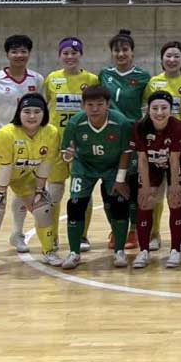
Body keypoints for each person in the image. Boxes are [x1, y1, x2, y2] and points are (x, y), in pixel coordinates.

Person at [0, 34, 45, 254]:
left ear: (29, 54)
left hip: (28, 146)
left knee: (24, 194)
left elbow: (41, 109)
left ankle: (17, 234)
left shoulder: (37, 79)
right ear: (7, 55)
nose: (19, 55)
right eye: (14, 51)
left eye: (23, 51)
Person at [0, 94, 62, 279]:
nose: (32, 116)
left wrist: (39, 190)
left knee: (43, 208)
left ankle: (49, 252)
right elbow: (4, 167)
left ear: (44, 113)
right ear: (19, 113)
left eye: (37, 111)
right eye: (27, 111)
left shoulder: (51, 132)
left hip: (22, 174)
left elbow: (45, 165)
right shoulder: (6, 133)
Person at [60, 86, 133, 270]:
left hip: (112, 167)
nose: (94, 108)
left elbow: (126, 151)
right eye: (90, 104)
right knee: (75, 204)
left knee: (119, 203)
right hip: (84, 167)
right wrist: (68, 156)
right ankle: (74, 252)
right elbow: (65, 153)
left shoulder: (121, 122)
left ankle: (119, 251)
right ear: (83, 105)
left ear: (108, 104)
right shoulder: (75, 123)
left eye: (99, 104)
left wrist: (120, 178)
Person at [143, 41, 181, 251]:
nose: (172, 60)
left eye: (177, 56)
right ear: (161, 59)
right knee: (155, 192)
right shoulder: (153, 83)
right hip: (156, 146)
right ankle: (154, 234)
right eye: (168, 56)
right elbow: (146, 112)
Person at [44, 37, 100, 252]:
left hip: (82, 145)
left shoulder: (91, 79)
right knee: (55, 193)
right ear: (60, 56)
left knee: (82, 193)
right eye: (65, 53)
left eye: (74, 53)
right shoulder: (52, 79)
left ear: (80, 55)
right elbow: (44, 105)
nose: (70, 57)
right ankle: (53, 236)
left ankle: (82, 235)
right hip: (57, 143)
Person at [99, 29, 152, 251]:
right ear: (111, 53)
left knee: (130, 184)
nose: (121, 54)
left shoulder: (143, 77)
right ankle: (114, 226)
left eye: (125, 50)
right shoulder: (103, 75)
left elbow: (149, 108)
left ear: (132, 52)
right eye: (116, 50)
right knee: (108, 183)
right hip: (109, 136)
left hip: (132, 137)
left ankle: (132, 230)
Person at [131, 91, 181, 269]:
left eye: (164, 108)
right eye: (154, 108)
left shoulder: (178, 127)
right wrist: (146, 187)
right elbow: (141, 159)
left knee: (175, 200)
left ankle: (175, 250)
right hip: (152, 164)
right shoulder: (140, 127)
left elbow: (174, 160)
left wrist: (174, 186)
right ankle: (144, 250)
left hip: (177, 163)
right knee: (145, 202)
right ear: (148, 110)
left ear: (171, 110)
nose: (159, 112)